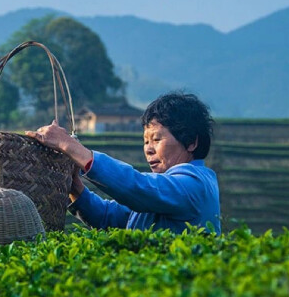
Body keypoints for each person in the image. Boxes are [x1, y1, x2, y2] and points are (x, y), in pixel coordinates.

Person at [30, 91, 221, 233]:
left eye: (156, 139)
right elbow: (108, 216)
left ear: (191, 142)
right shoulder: (160, 197)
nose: (148, 148)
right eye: (146, 141)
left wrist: (69, 145)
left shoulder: (194, 184)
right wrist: (75, 188)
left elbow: (137, 186)